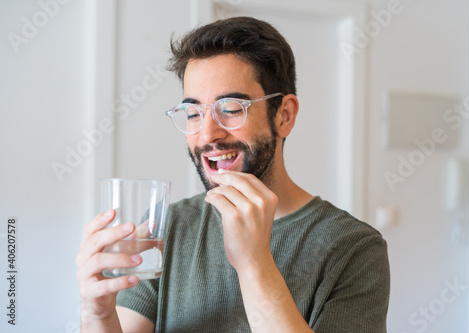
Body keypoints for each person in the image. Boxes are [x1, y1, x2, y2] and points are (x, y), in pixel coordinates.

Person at [76, 16, 390, 332]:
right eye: (194, 113)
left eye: (230, 108)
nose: (208, 134)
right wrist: (97, 315)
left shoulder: (355, 248)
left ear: (284, 115)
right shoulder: (169, 227)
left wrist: (254, 263)